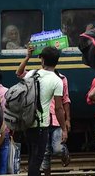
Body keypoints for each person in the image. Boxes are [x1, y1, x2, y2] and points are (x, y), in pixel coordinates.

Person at [14, 46, 67, 176]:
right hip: (41, 126)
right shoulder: (57, 81)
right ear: (57, 61)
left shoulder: (32, 73)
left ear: (42, 60)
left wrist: (28, 56)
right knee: (36, 161)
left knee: (33, 157)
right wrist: (64, 128)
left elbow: (18, 72)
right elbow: (59, 108)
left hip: (28, 122)